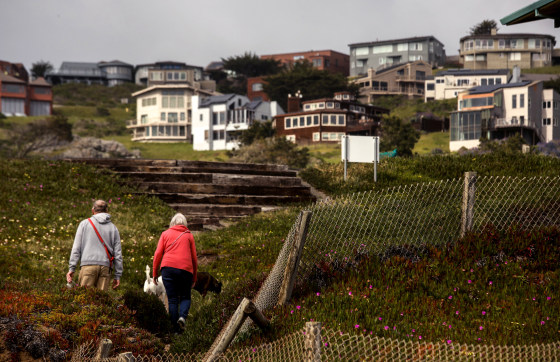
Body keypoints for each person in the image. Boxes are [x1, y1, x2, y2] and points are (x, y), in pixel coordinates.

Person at [153, 213, 198, 333]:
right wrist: (194, 277)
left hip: (168, 269)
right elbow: (194, 258)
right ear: (185, 224)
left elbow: (157, 254)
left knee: (172, 299)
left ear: (172, 223)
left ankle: (175, 330)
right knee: (185, 296)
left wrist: (154, 273)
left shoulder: (165, 234)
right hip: (186, 270)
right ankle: (182, 317)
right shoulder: (189, 236)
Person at [67, 199, 123, 291]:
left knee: (84, 299)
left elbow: (76, 248)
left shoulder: (84, 224)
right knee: (101, 300)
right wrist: (117, 275)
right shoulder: (113, 228)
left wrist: (72, 268)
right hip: (105, 268)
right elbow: (118, 254)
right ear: (107, 211)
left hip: (88, 266)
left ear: (93, 210)